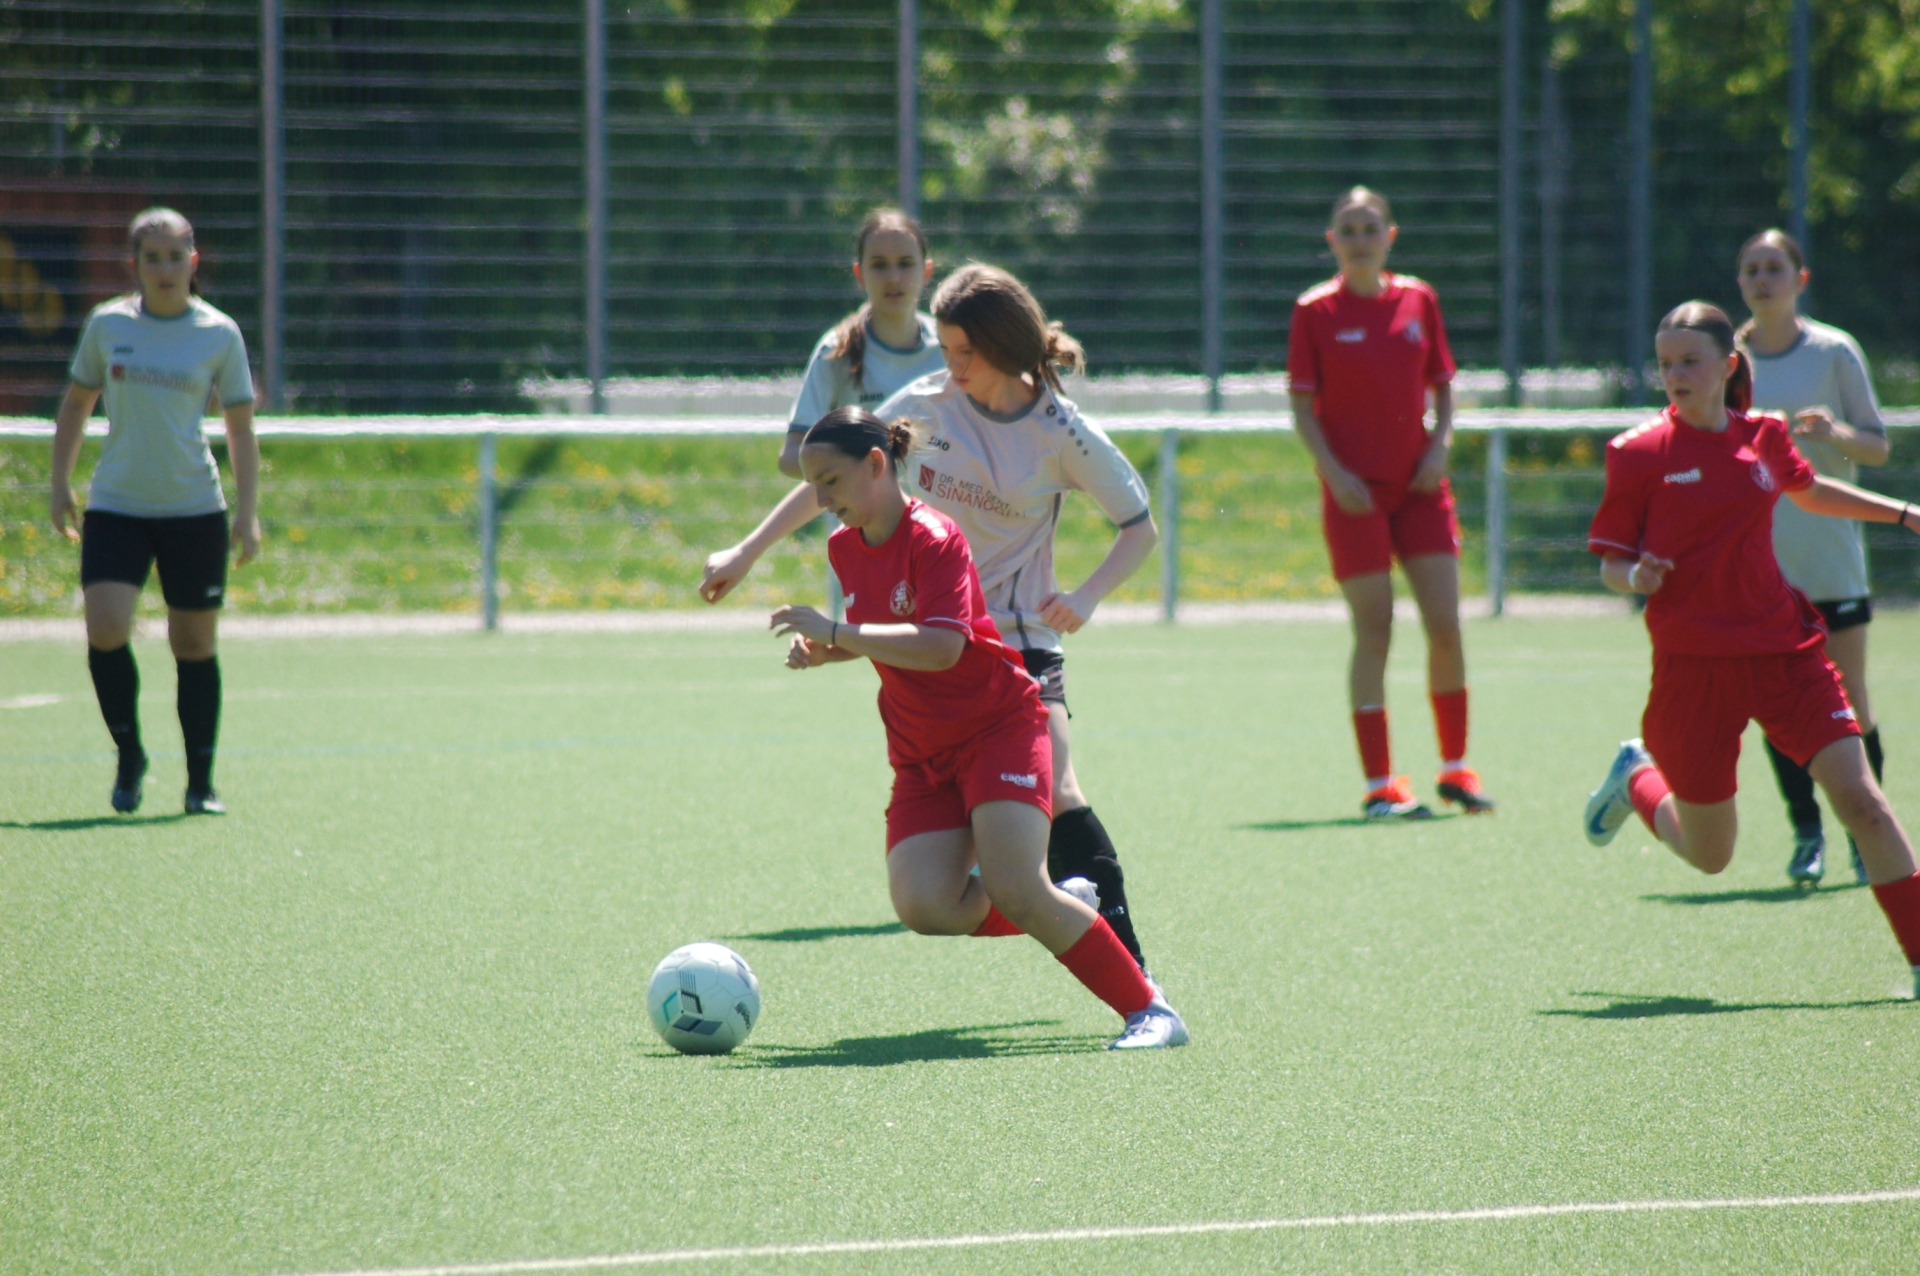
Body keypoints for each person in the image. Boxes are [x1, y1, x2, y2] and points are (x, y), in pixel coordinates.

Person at [704, 264, 1164, 976]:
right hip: (934, 645)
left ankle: (1135, 972)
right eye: (945, 349)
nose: (951, 365)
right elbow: (836, 470)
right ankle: (1060, 907)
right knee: (942, 889)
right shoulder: (927, 404)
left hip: (1016, 644)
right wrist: (748, 550)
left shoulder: (1061, 430)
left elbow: (1139, 528)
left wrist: (1087, 595)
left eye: (964, 351)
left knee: (1063, 794)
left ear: (1005, 344)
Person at [771, 408, 1187, 1049]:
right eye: (814, 487)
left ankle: (1150, 1011)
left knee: (1017, 887)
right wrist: (830, 650)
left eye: (830, 483)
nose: (821, 502)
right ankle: (1069, 904)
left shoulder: (937, 538)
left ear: (876, 464)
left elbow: (942, 645)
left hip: (997, 729)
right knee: (925, 904)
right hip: (921, 751)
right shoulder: (843, 548)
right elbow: (887, 631)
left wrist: (836, 629)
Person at [1582, 301, 1920, 999]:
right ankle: (1637, 779)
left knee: (1863, 803)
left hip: (1785, 653)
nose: (1676, 374)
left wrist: (1902, 513)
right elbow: (1611, 561)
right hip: (1693, 670)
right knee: (1711, 856)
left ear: (1727, 366)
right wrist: (1634, 576)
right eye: (1666, 363)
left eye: (1690, 360)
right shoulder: (1637, 453)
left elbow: (1811, 492)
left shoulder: (1762, 434)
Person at [1286, 186, 1494, 819]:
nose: (1359, 240)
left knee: (1445, 625)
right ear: (1332, 241)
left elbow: (1444, 386)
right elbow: (1302, 406)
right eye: (1347, 230)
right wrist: (1333, 474)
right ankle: (1381, 785)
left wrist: (1440, 447)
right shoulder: (1314, 311)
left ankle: (1455, 770)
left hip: (1421, 489)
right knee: (1375, 629)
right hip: (1354, 497)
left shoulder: (1418, 300)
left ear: (1390, 236)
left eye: (1370, 228)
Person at [48, 206, 260, 816]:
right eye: (152, 258)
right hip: (117, 504)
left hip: (194, 508)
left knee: (192, 641)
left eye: (175, 257)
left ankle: (200, 782)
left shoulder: (219, 333)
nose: (165, 269)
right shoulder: (108, 325)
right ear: (134, 265)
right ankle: (130, 754)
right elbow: (77, 403)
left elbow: (240, 428)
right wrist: (60, 483)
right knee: (105, 627)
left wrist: (247, 512)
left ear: (193, 261)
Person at [1734, 228, 1891, 886]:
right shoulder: (1726, 358)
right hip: (1760, 567)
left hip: (1831, 558)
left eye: (1774, 268)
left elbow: (1877, 446)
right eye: (1751, 269)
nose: (1761, 279)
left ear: (1799, 279)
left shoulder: (1833, 351)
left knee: (1851, 696)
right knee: (1778, 704)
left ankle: (1866, 830)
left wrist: (1837, 433)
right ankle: (1807, 833)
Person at [776, 207, 947, 480]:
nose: (893, 277)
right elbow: (791, 456)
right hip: (858, 509)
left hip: (931, 509)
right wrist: (856, 467)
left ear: (927, 271)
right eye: (879, 265)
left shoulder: (949, 349)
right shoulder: (836, 352)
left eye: (905, 264)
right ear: (859, 273)